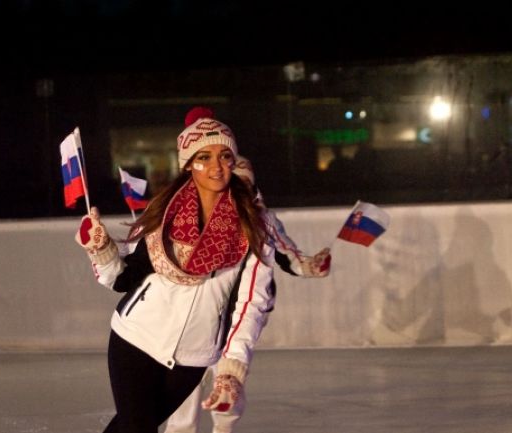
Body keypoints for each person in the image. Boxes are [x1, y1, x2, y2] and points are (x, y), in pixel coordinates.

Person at [74, 107, 276, 433]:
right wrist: (101, 248)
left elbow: (251, 303)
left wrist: (231, 369)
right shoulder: (165, 213)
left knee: (130, 427)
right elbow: (123, 277)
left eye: (225, 156)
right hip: (136, 338)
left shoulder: (254, 224)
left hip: (194, 356)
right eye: (204, 157)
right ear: (188, 165)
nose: (216, 166)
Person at [165, 155, 332, 433]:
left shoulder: (262, 220)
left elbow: (286, 255)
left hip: (236, 319)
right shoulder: (194, 215)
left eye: (245, 185)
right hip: (194, 318)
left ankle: (224, 427)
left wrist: (309, 265)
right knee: (185, 387)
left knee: (228, 385)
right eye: (233, 185)